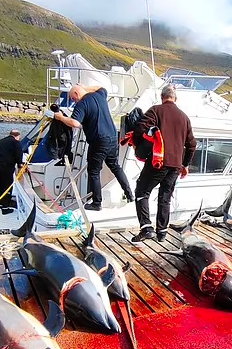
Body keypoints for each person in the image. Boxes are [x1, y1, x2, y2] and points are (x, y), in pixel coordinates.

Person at [130, 85, 197, 243]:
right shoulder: (184, 117)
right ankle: (162, 233)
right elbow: (192, 144)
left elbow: (140, 128)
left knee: (142, 191)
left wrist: (139, 145)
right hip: (175, 165)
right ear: (175, 98)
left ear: (162, 97)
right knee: (165, 197)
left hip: (158, 161)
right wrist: (185, 164)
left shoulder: (156, 110)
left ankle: (146, 228)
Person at [53, 84, 134, 211]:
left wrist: (60, 117)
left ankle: (97, 203)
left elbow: (75, 123)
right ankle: (130, 194)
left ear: (76, 94)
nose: (74, 101)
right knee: (115, 166)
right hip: (112, 138)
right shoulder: (100, 95)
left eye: (73, 98)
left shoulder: (82, 104)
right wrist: (84, 88)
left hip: (98, 140)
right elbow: (102, 87)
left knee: (93, 171)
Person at [0, 129, 23, 214]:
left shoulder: (1, 141)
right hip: (5, 166)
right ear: (18, 136)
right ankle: (5, 207)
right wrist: (20, 164)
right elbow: (19, 155)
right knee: (7, 185)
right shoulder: (16, 142)